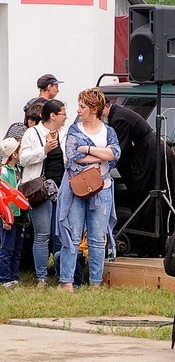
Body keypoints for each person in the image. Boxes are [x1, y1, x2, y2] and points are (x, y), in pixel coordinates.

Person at [57, 88, 121, 291]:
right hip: (76, 188)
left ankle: (95, 282)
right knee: (72, 235)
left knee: (96, 237)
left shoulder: (109, 131)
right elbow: (72, 156)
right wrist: (101, 155)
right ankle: (67, 282)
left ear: (94, 108)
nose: (78, 110)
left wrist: (88, 149)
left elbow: (115, 154)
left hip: (102, 188)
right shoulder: (74, 130)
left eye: (82, 106)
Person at [17, 99, 68, 286]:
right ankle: (41, 278)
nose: (66, 117)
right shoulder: (32, 133)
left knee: (60, 235)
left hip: (63, 189)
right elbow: (23, 159)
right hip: (41, 190)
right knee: (42, 234)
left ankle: (59, 273)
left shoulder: (65, 133)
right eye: (63, 113)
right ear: (53, 115)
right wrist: (44, 150)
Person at [102, 97, 159, 209]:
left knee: (143, 189)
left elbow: (118, 150)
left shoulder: (119, 118)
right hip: (141, 151)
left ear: (105, 107)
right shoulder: (116, 115)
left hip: (147, 153)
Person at [0, 138, 26, 287]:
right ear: (14, 154)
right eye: (19, 150)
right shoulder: (3, 171)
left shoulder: (18, 170)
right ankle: (5, 278)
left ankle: (14, 276)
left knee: (17, 247)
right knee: (7, 247)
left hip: (20, 214)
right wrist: (4, 218)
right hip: (8, 215)